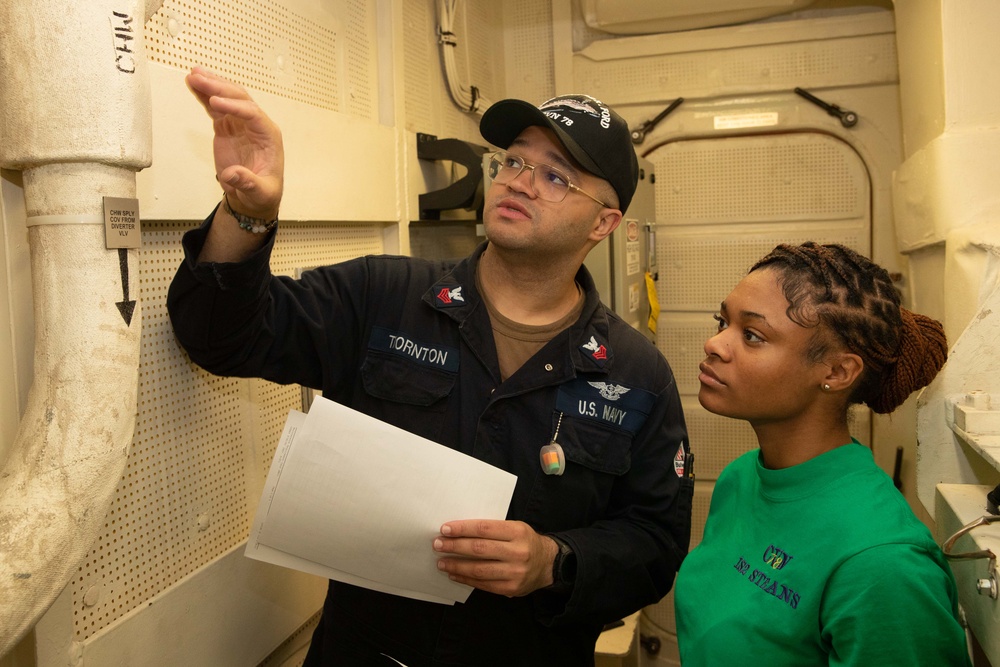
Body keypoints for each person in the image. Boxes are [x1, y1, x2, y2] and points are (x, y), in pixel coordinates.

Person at [167, 67, 693, 667]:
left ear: (604, 223)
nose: (519, 182)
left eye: (555, 177)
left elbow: (656, 542)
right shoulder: (382, 296)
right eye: (515, 161)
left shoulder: (637, 375)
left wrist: (555, 560)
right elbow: (218, 337)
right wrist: (247, 214)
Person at [674, 241, 970, 666]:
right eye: (722, 321)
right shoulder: (742, 478)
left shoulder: (882, 565)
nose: (715, 344)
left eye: (752, 335)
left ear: (836, 372)